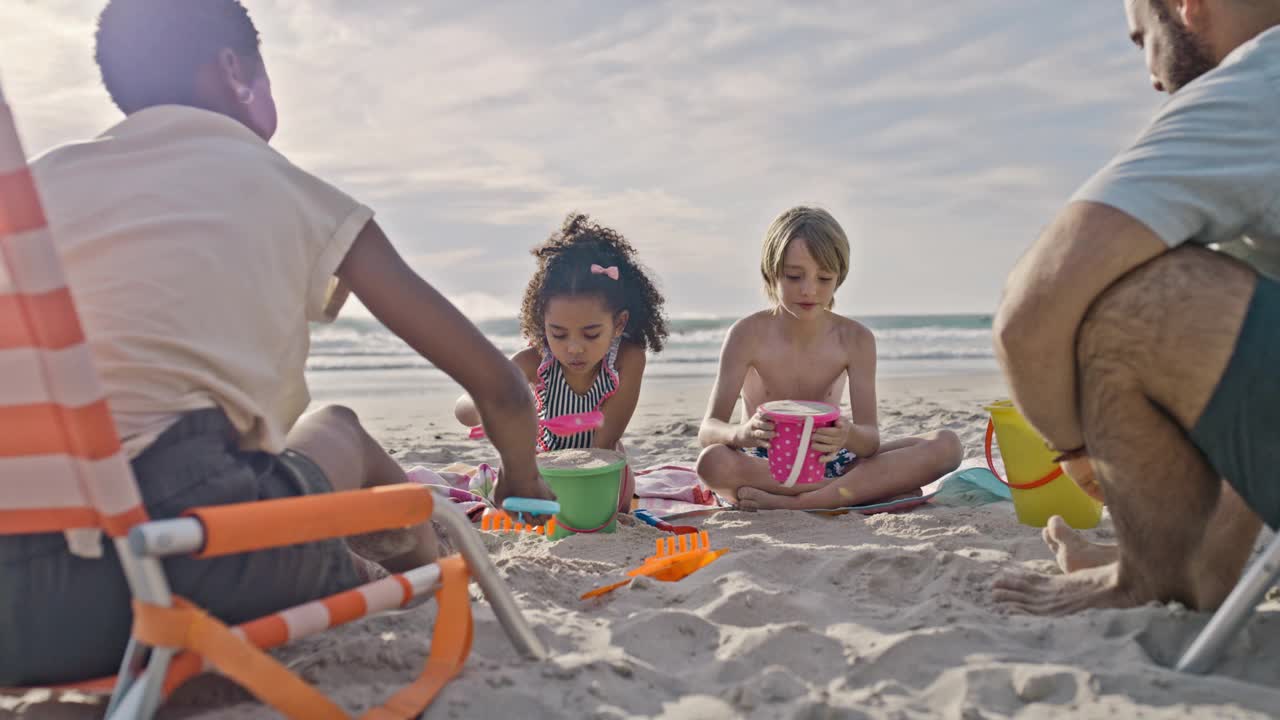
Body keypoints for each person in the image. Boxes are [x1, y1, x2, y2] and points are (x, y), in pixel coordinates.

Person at [0, 0, 550, 685]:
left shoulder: (30, 193)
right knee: (339, 430)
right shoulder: (295, 192)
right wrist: (523, 484)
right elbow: (497, 386)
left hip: (15, 615)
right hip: (173, 577)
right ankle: (425, 568)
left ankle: (359, 564)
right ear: (236, 71)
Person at [992, 0, 1280, 615]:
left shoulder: (1264, 79)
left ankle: (1148, 577)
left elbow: (1032, 310)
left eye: (1140, 39)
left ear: (1187, 6)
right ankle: (1194, 559)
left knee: (1132, 294)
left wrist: (1074, 451)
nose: (1151, 73)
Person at [695, 206, 962, 510]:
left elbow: (869, 440)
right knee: (712, 463)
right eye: (795, 276)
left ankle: (803, 500)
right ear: (771, 272)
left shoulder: (856, 339)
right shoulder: (746, 335)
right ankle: (845, 493)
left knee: (947, 445)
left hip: (832, 462)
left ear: (839, 278)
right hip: (767, 466)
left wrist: (847, 435)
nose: (809, 290)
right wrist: (740, 433)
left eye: (824, 278)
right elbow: (709, 429)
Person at [455, 213, 669, 513]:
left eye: (591, 334)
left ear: (619, 324)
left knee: (607, 502)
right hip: (544, 465)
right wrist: (486, 403)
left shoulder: (627, 359)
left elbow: (605, 441)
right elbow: (465, 409)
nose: (574, 348)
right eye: (558, 333)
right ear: (542, 324)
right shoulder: (533, 362)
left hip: (599, 467)